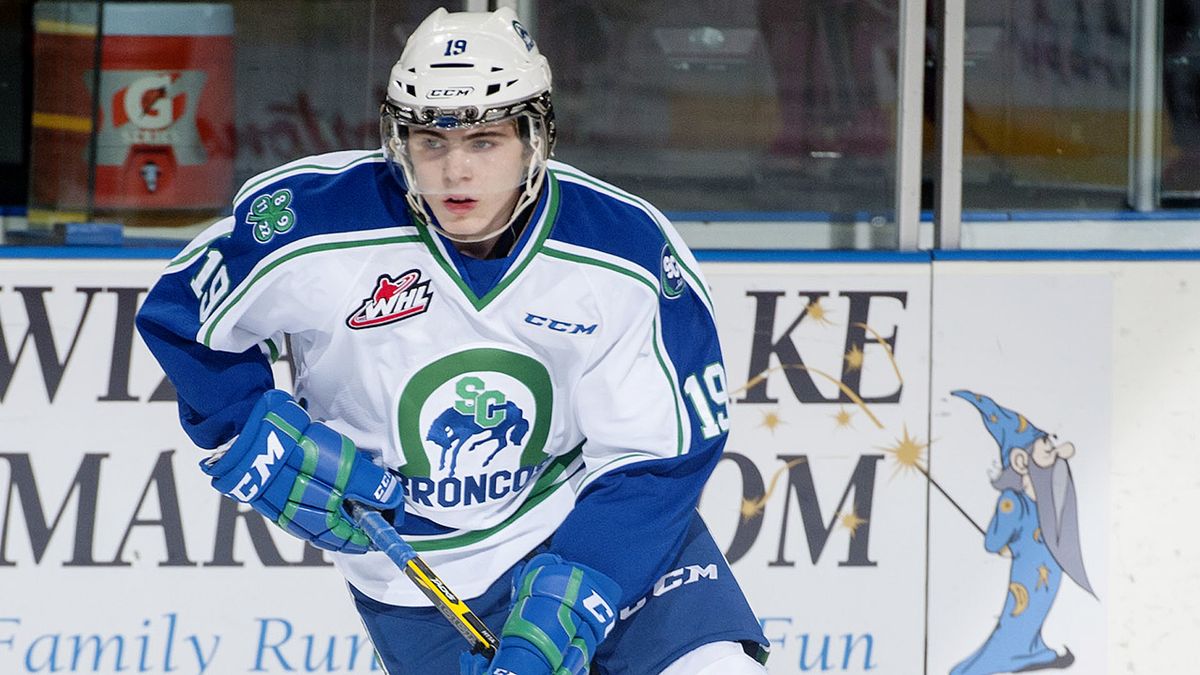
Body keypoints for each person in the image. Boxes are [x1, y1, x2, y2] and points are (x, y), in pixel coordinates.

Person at [136, 7, 769, 674]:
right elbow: (183, 312)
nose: (453, 172)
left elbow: (659, 454)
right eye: (430, 142)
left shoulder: (626, 254)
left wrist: (580, 584)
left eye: (485, 141)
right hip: (415, 574)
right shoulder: (316, 222)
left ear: (536, 138)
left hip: (588, 528)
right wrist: (249, 427)